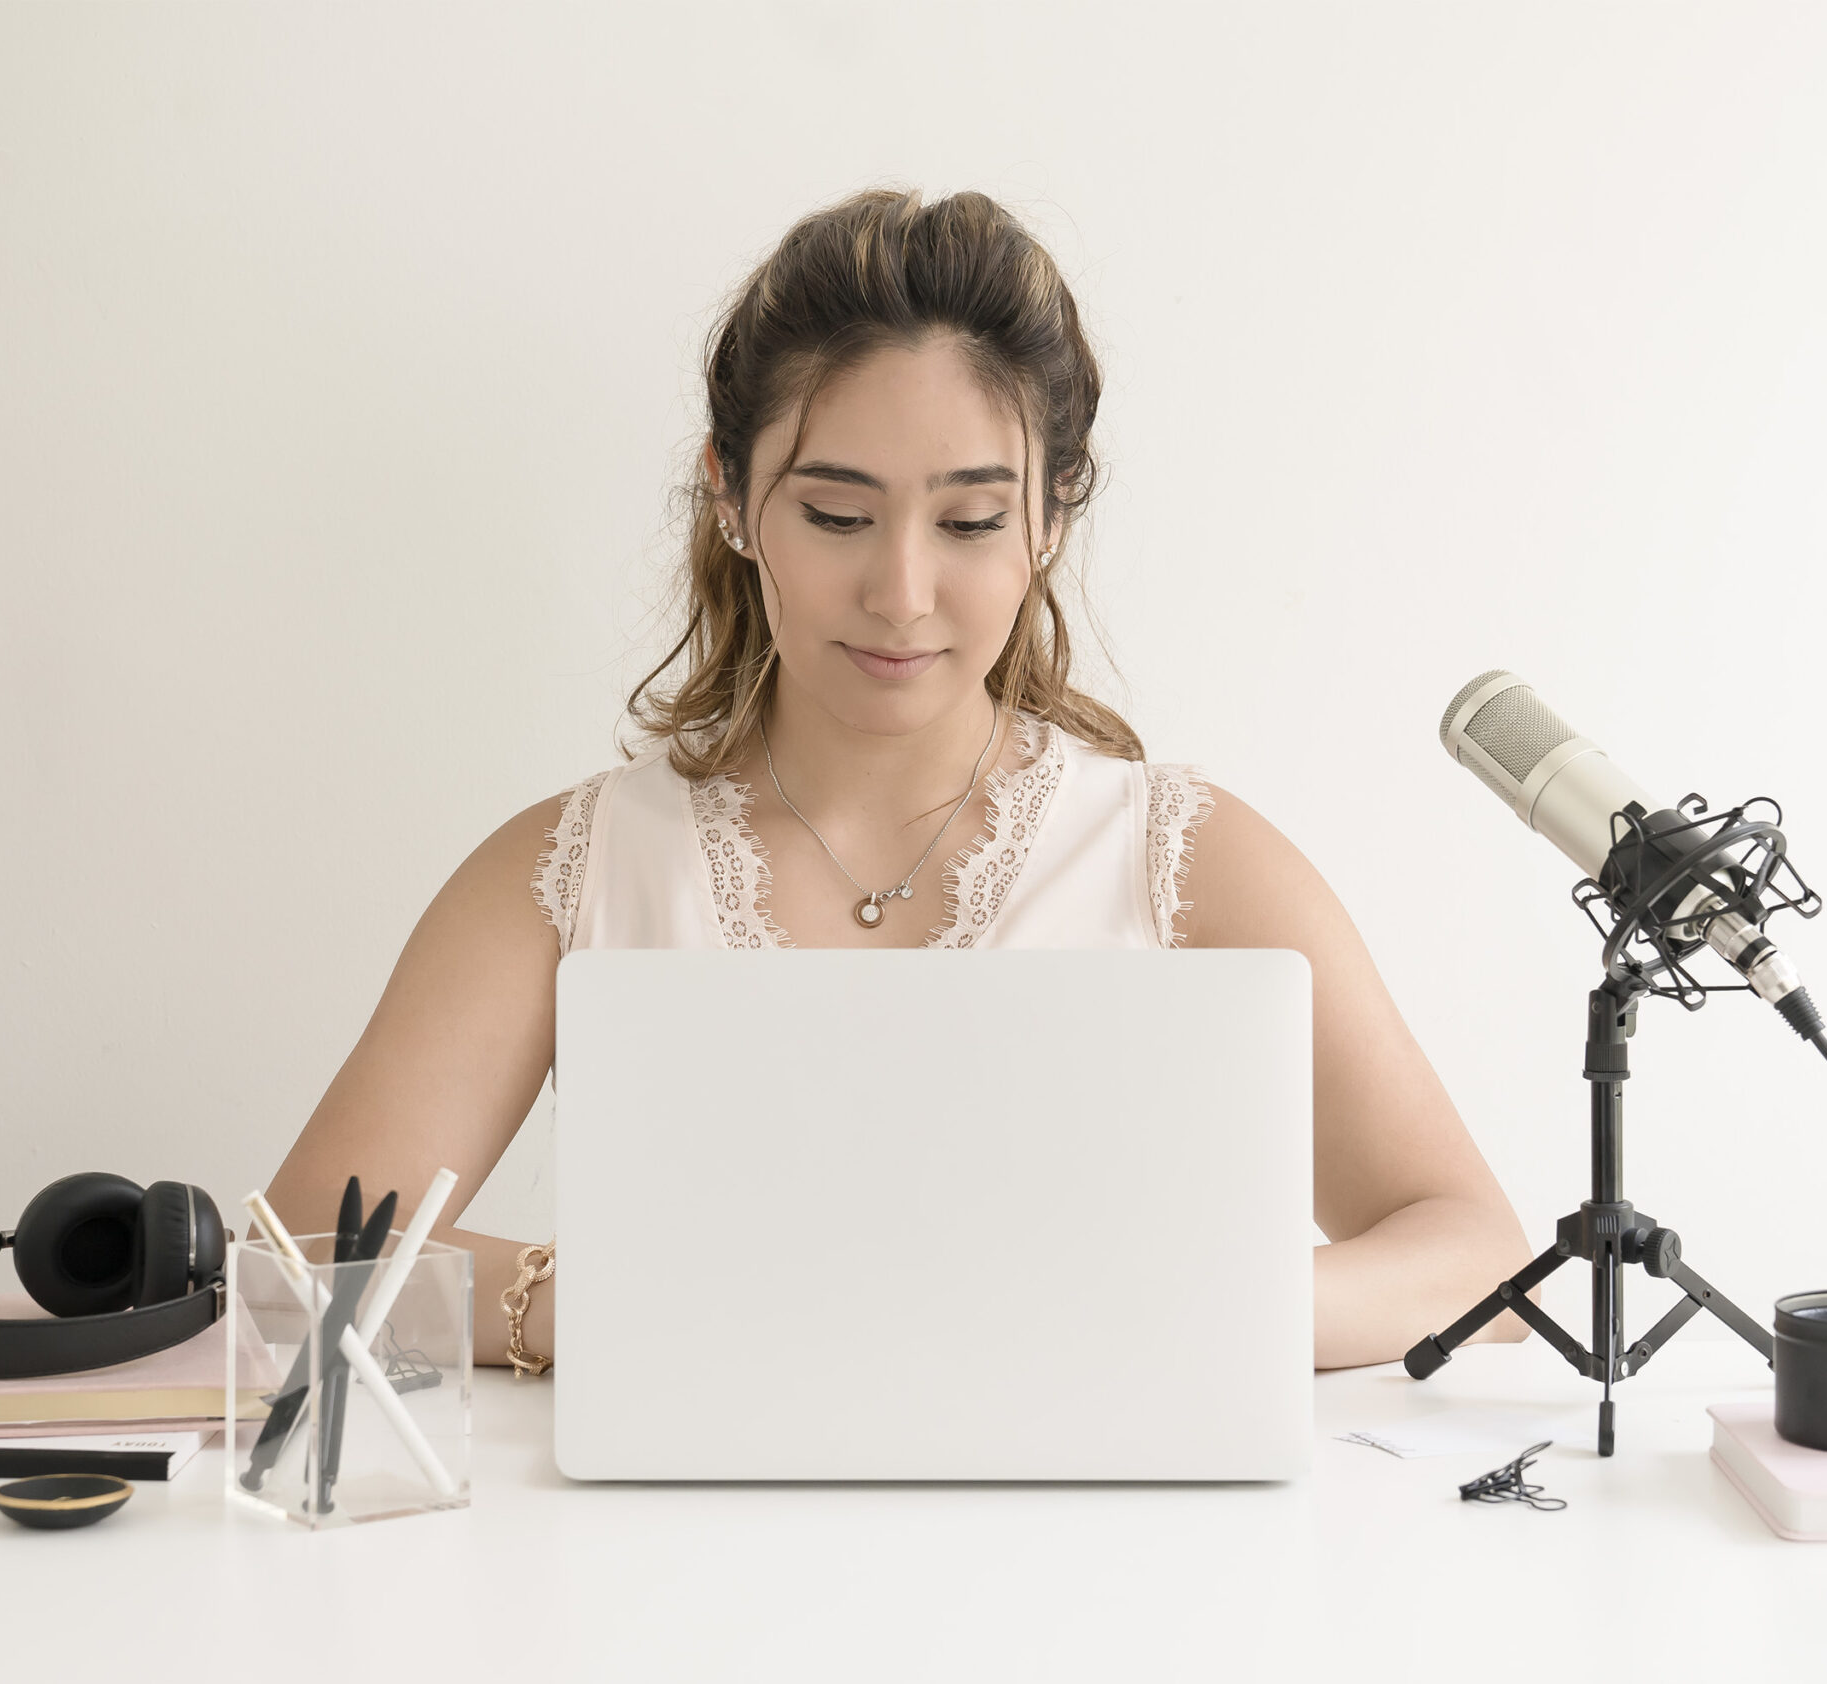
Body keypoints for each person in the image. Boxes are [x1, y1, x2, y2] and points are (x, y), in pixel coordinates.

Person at [262, 187, 1532, 1374]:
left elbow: (1478, 1257)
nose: (901, 593)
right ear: (729, 495)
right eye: (836, 515)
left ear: (1052, 517)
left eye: (970, 522)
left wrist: (1158, 1311)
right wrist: (597, 1301)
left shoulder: (1180, 857)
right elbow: (296, 1256)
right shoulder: (573, 868)